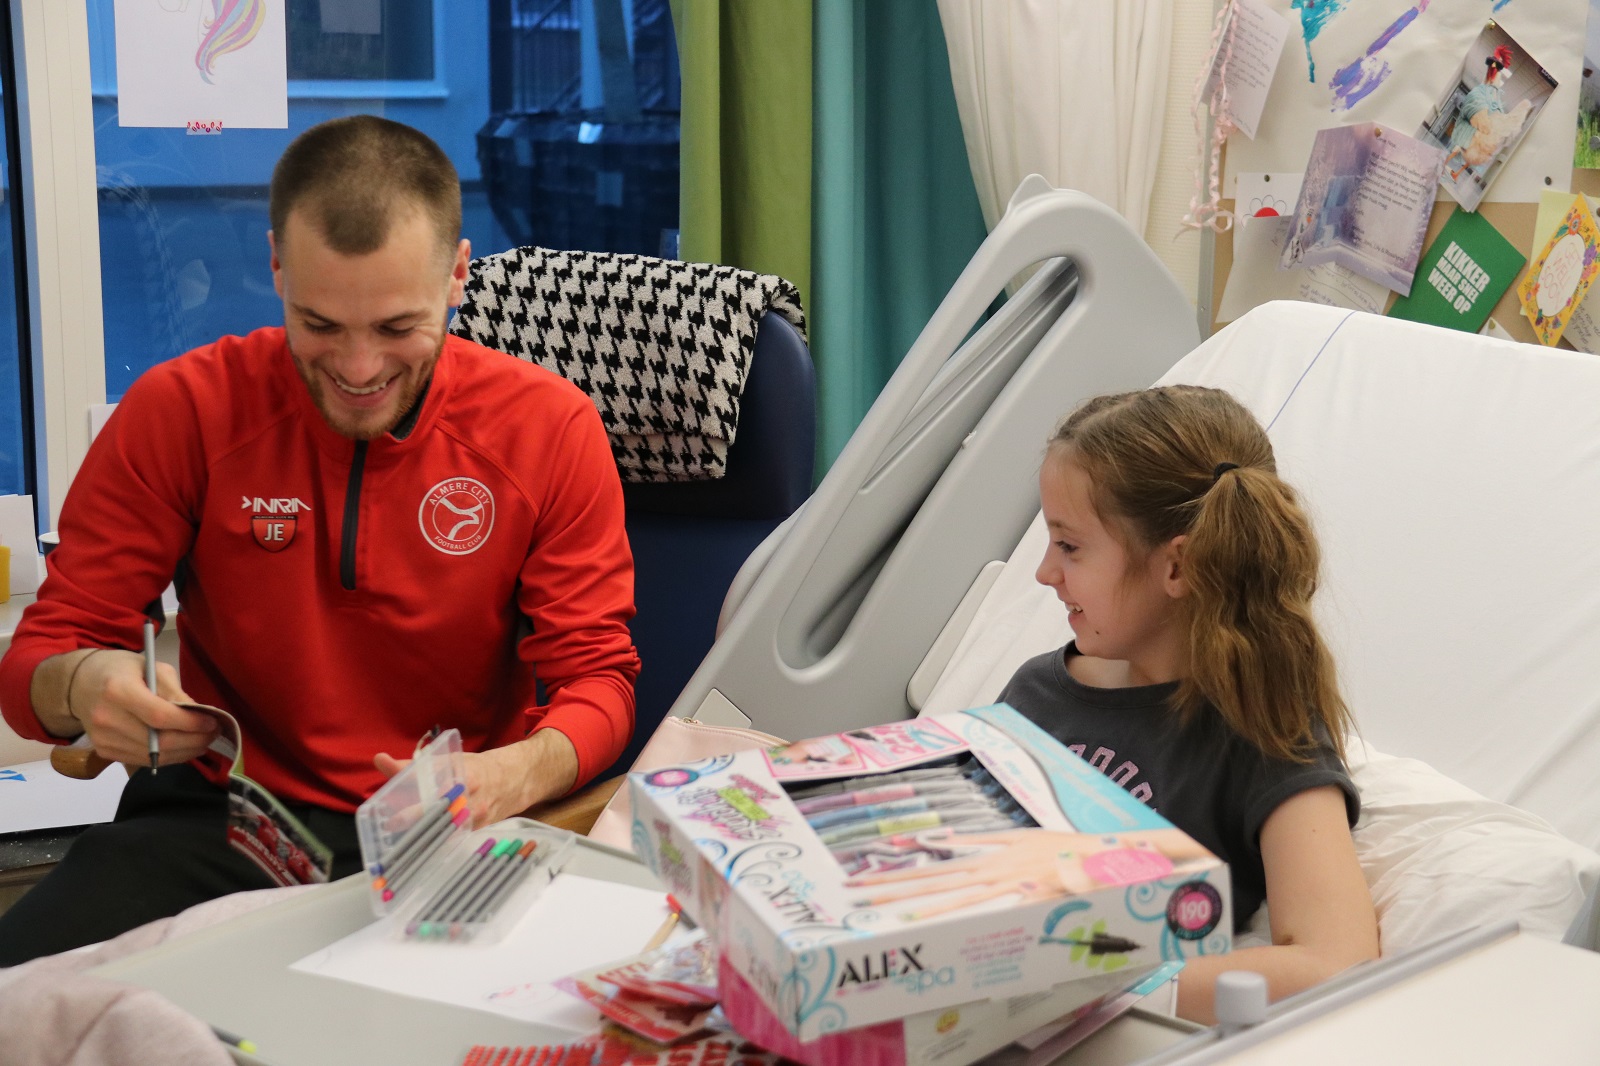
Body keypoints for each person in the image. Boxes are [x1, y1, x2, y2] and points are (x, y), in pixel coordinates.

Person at [0, 116, 640, 964]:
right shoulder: (185, 410)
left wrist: (513, 775)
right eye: (322, 324)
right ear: (275, 264)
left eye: (395, 327)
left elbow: (601, 678)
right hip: (219, 825)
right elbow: (40, 660)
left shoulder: (548, 429)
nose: (360, 368)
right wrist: (84, 686)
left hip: (447, 835)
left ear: (457, 274)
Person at [897, 387, 1376, 1024]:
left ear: (1178, 566)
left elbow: (1335, 962)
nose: (1044, 572)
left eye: (1069, 547)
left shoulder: (1263, 733)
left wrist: (1090, 988)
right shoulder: (1038, 692)